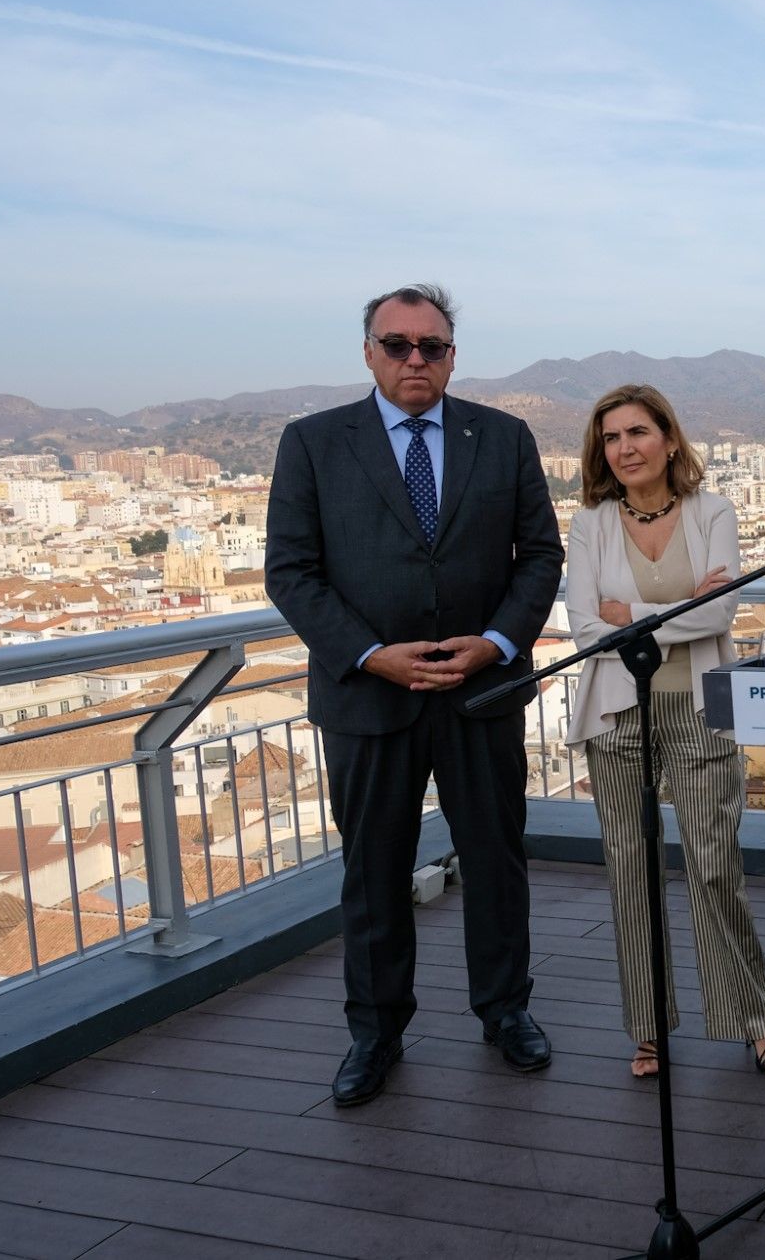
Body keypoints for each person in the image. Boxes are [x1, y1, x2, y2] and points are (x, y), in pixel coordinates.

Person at [266, 284, 563, 1107]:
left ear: (453, 355)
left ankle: (506, 1011)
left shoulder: (503, 438)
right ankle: (375, 1030)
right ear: (368, 352)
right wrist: (370, 655)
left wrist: (497, 643)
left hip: (481, 693)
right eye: (396, 344)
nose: (414, 359)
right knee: (373, 872)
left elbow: (540, 556)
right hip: (368, 698)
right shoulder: (314, 442)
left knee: (497, 864)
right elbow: (290, 571)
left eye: (431, 346)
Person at [563, 384, 765, 1081]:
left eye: (638, 431)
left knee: (715, 866)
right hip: (618, 716)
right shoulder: (590, 523)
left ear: (669, 438)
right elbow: (583, 629)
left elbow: (719, 615)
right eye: (612, 437)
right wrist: (673, 609)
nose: (626, 447)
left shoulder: (713, 511)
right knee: (630, 872)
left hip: (696, 709)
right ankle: (648, 1029)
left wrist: (627, 611)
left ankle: (752, 1021)